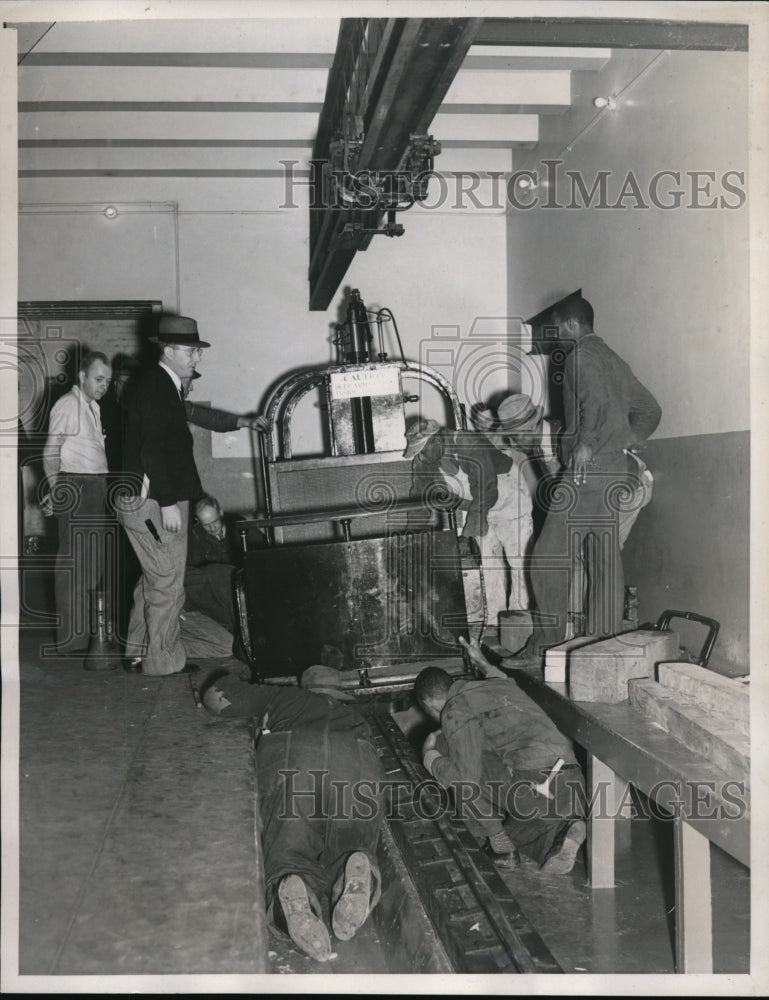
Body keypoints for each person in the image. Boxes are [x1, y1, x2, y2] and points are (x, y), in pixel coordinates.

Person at [201, 670, 385, 962]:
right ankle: (358, 876)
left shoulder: (286, 699)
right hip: (357, 764)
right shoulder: (355, 716)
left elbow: (216, 697)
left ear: (305, 687)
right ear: (338, 694)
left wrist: (230, 677)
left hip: (298, 761)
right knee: (354, 847)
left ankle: (293, 886)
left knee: (286, 858)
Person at [520, 296, 662, 660]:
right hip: (612, 468)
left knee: (548, 554)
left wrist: (587, 444)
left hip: (586, 471)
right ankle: (600, 644)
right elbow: (650, 409)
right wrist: (623, 442)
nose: (556, 337)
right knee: (603, 558)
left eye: (557, 328)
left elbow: (594, 403)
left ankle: (546, 642)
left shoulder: (580, 356)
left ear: (571, 325)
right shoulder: (615, 359)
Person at [413, 641, 586, 874]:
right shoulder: (496, 685)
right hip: (572, 781)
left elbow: (466, 779)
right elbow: (504, 679)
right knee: (521, 833)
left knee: (449, 753)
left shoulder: (454, 710)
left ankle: (499, 846)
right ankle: (564, 832)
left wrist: (430, 758)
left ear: (429, 704)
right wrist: (483, 663)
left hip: (535, 786)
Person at [116, 315, 211, 676]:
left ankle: (138, 652)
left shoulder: (160, 385)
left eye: (197, 352)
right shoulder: (158, 387)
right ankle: (163, 662)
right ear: (168, 351)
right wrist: (168, 502)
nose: (196, 359)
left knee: (153, 577)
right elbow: (152, 452)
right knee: (167, 581)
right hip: (154, 501)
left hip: (148, 498)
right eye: (190, 352)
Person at [403, 404, 534, 635]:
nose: (421, 456)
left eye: (423, 450)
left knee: (518, 561)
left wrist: (466, 535)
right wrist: (412, 540)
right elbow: (418, 499)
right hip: (479, 505)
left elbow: (487, 490)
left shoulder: (467, 443)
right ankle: (494, 624)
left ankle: (519, 625)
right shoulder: (425, 461)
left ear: (436, 441)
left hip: (508, 496)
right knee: (489, 564)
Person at [41, 350, 114, 656]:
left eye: (108, 381)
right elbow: (50, 451)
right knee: (73, 564)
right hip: (77, 486)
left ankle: (86, 638)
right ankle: (71, 641)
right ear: (82, 376)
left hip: (94, 486)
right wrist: (59, 491)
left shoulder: (92, 407)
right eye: (99, 379)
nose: (104, 385)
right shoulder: (68, 404)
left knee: (91, 564)